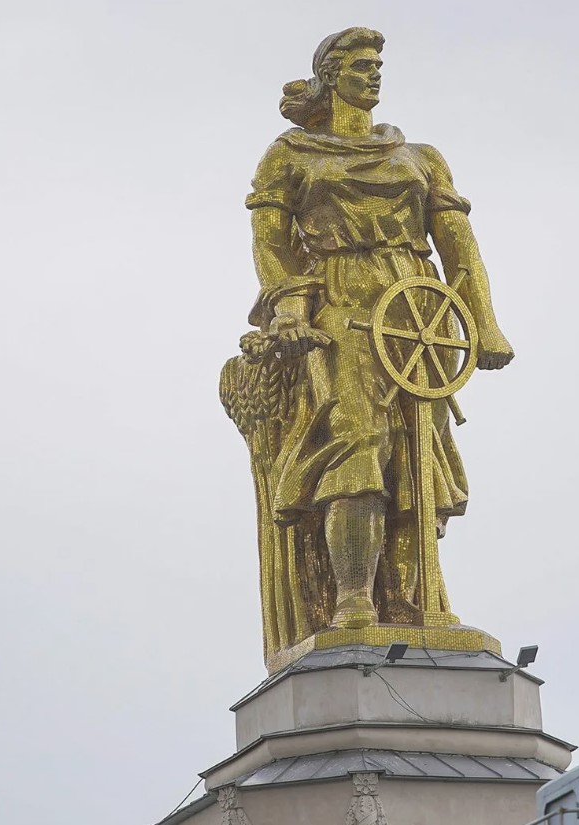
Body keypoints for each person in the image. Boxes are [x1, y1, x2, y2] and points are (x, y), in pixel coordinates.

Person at [221, 27, 513, 664]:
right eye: (360, 65)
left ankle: (417, 599)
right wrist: (290, 306)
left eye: (378, 64)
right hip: (342, 304)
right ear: (330, 77)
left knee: (419, 451)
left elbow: (458, 246)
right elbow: (270, 242)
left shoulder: (421, 157)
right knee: (358, 440)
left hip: (417, 308)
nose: (374, 73)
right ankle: (354, 600)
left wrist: (484, 324)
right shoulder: (290, 155)